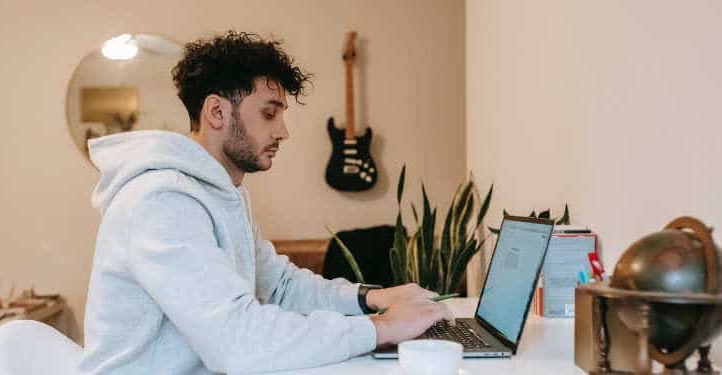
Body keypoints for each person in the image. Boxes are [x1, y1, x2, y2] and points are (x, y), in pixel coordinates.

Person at [80, 31, 452, 374]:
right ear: (217, 112)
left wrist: (372, 298)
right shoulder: (161, 201)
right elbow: (236, 341)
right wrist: (383, 327)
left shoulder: (223, 192)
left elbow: (280, 287)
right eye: (269, 113)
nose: (283, 132)